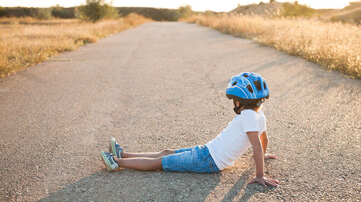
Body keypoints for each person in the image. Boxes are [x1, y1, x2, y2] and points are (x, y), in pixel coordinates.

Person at [100, 72, 279, 187]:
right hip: (207, 152)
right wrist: (261, 155)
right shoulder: (258, 116)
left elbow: (257, 145)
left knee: (161, 162)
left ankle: (117, 162)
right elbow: (263, 140)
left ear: (239, 101)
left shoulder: (247, 116)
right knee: (166, 152)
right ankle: (124, 154)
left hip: (209, 160)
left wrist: (260, 174)